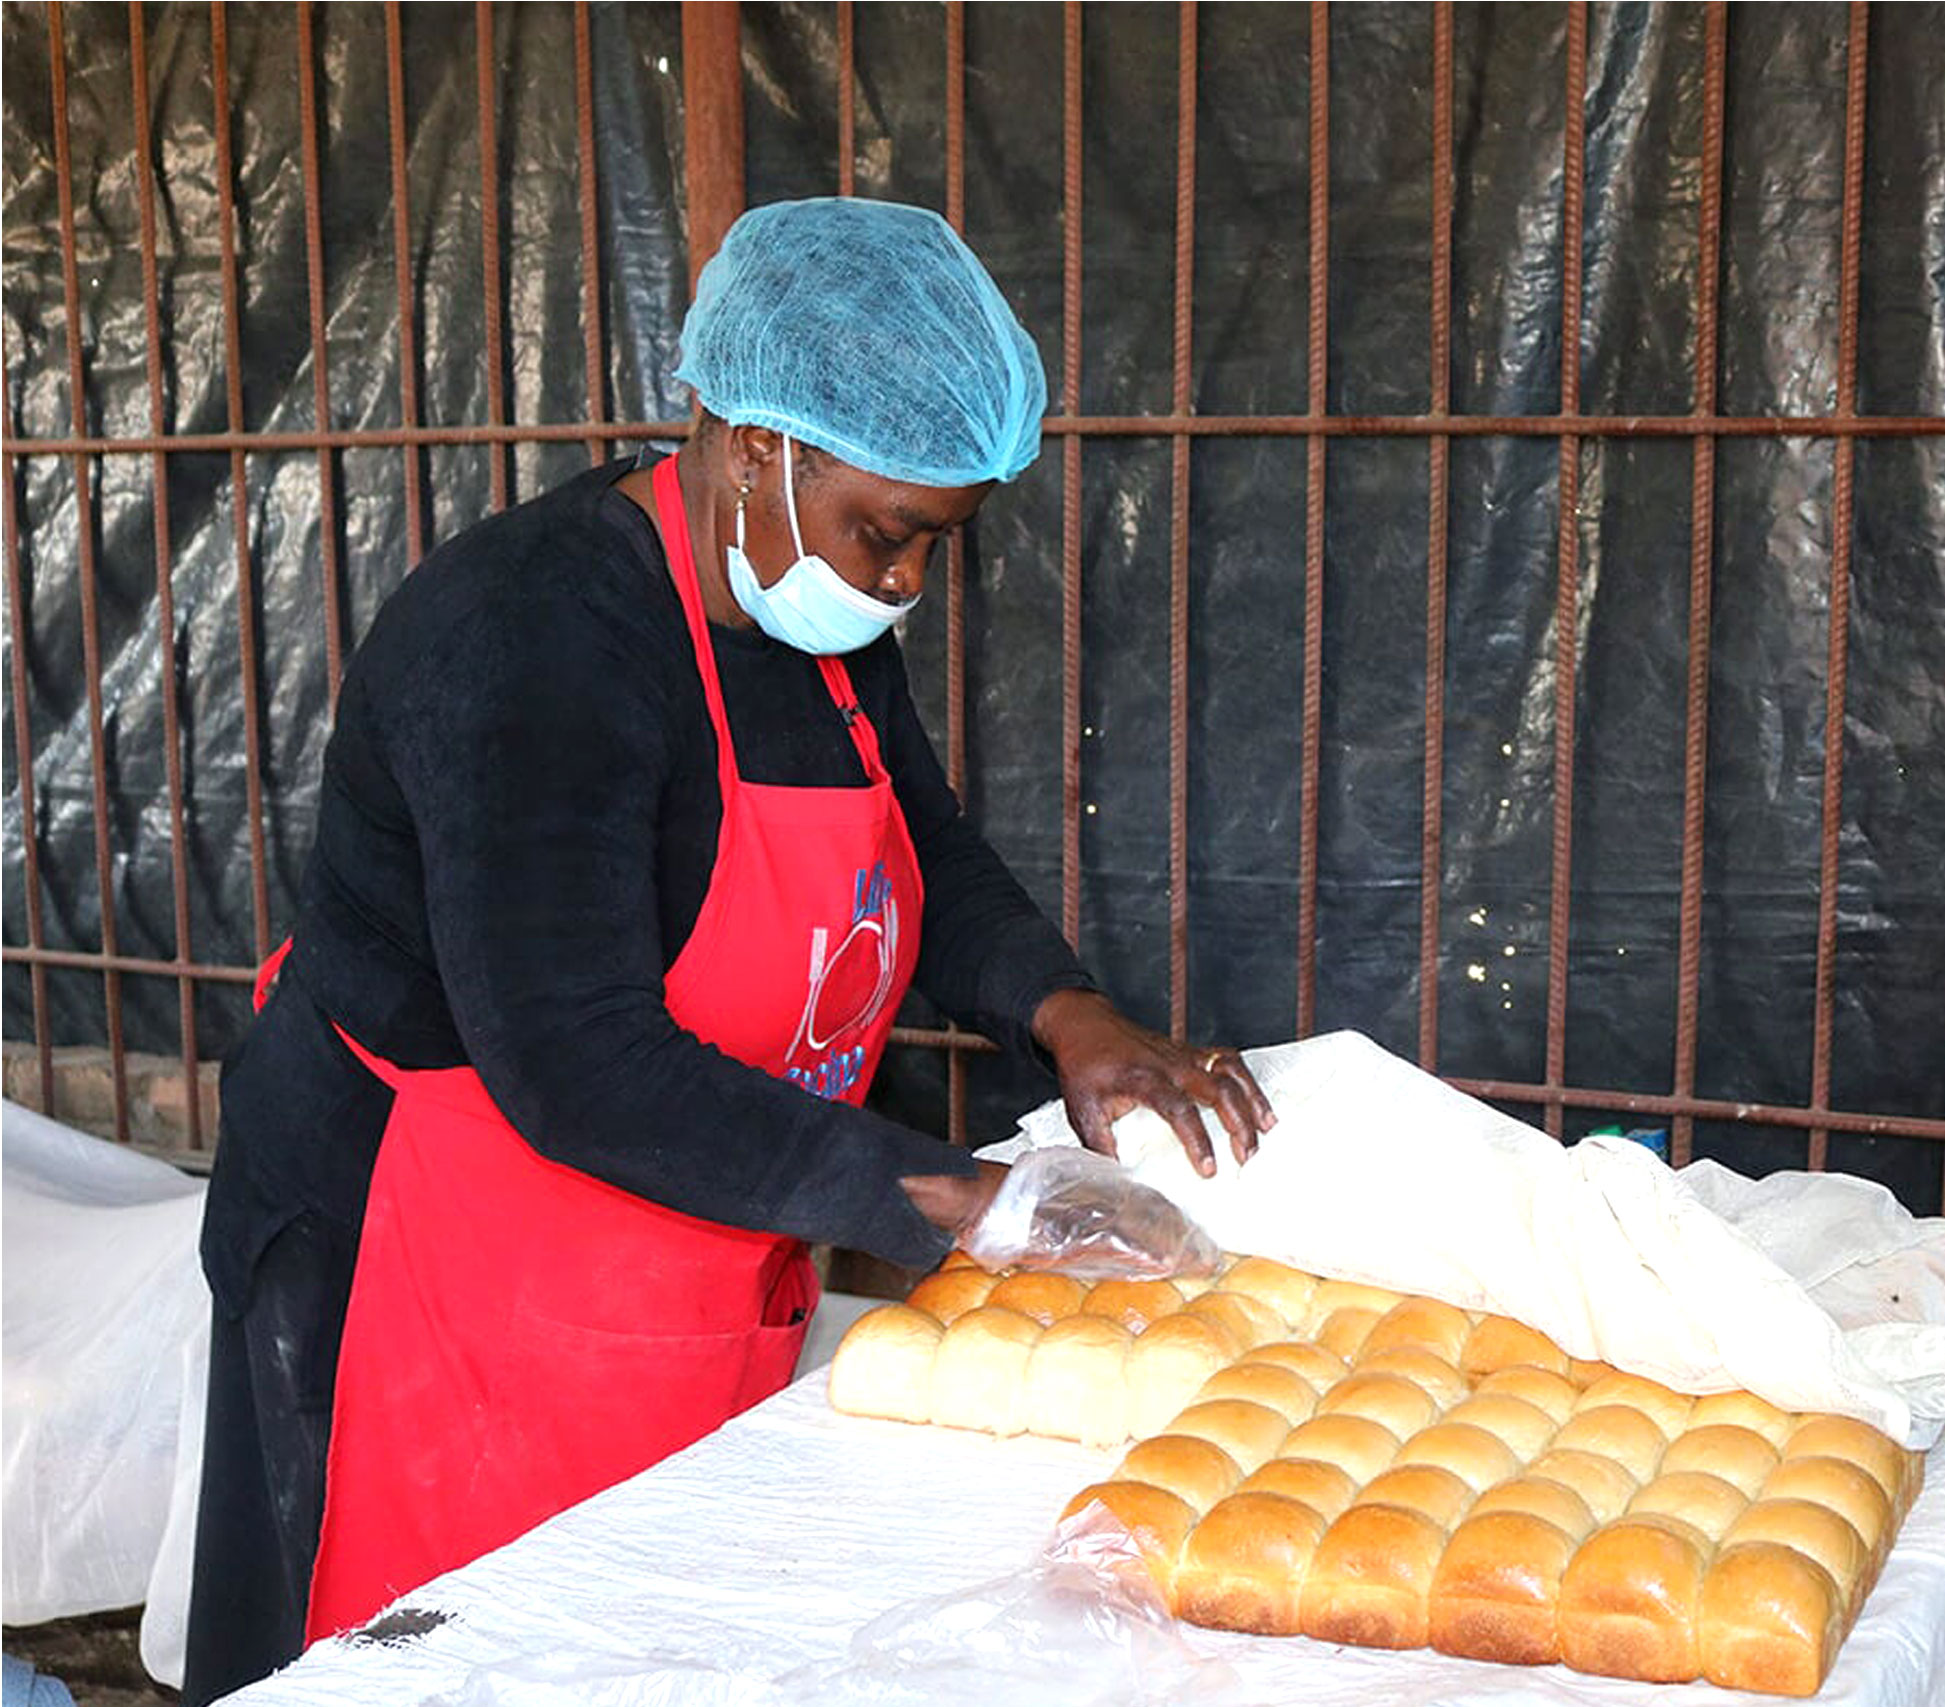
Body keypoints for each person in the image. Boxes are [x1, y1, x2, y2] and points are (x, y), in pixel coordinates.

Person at [183, 197, 1272, 1703]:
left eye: (933, 550)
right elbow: (574, 1062)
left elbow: (926, 857)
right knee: (419, 1652)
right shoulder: (528, 639)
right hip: (424, 1259)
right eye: (885, 534)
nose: (900, 586)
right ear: (760, 445)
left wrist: (1069, 1014)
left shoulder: (811, 631)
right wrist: (968, 1199)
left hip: (682, 1233)